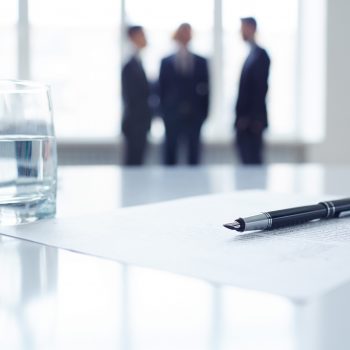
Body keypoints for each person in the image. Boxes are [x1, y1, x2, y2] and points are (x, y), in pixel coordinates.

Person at [159, 23, 209, 165]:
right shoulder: (165, 61)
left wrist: (204, 114)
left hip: (194, 116)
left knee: (194, 156)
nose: (185, 35)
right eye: (182, 32)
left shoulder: (201, 61)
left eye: (188, 32)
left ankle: (195, 187)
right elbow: (161, 90)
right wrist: (163, 113)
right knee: (170, 155)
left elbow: (206, 90)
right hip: (172, 115)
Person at [234, 17, 270, 164]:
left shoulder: (261, 55)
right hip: (245, 122)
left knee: (253, 162)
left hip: (252, 123)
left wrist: (253, 119)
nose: (240, 32)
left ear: (251, 28)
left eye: (243, 28)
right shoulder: (251, 54)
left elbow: (260, 89)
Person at [121, 25, 152, 165]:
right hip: (135, 125)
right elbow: (132, 97)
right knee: (133, 163)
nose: (145, 38)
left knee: (138, 161)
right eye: (142, 35)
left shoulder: (138, 62)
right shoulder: (129, 65)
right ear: (133, 37)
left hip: (141, 124)